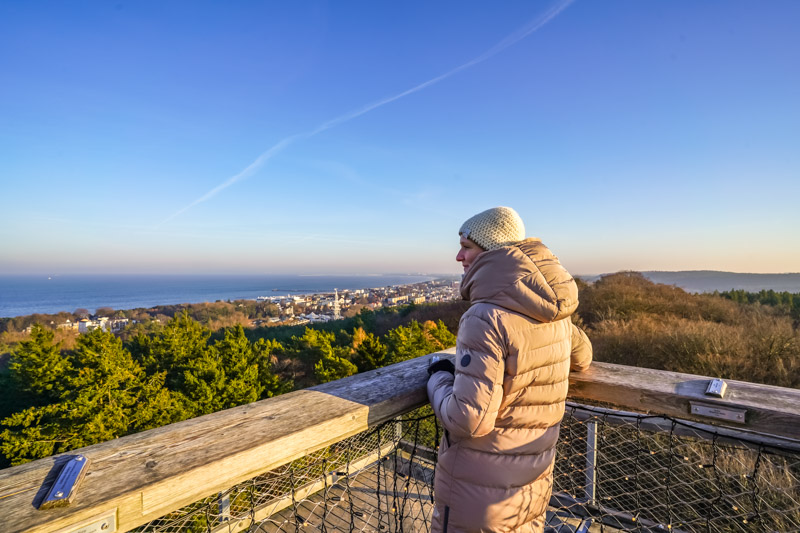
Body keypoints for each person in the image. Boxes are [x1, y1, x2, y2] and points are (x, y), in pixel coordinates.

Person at [427, 206, 593, 532]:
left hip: (476, 490)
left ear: (491, 251)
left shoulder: (486, 317)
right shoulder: (552, 311)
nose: (459, 256)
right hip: (532, 481)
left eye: (467, 246)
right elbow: (583, 356)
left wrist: (439, 377)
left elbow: (469, 419)